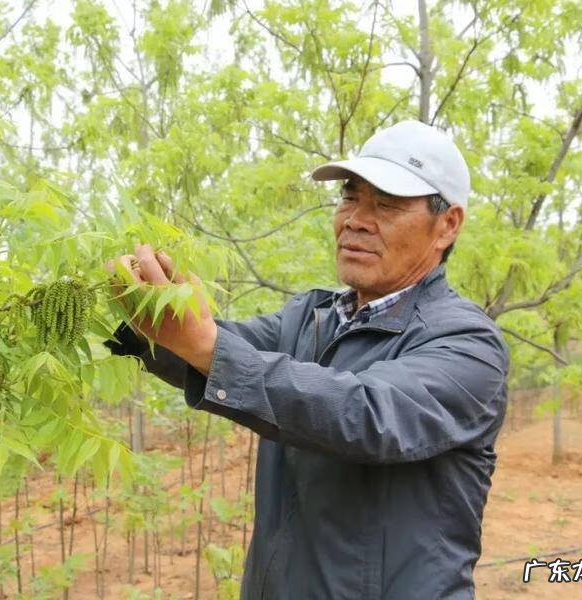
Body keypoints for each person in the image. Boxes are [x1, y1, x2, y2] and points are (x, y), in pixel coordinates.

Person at [106, 120, 510, 599]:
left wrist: (205, 345)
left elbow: (366, 414)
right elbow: (220, 347)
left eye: (386, 204)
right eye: (350, 196)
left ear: (448, 225)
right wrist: (143, 318)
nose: (356, 219)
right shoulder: (312, 316)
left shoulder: (469, 344)